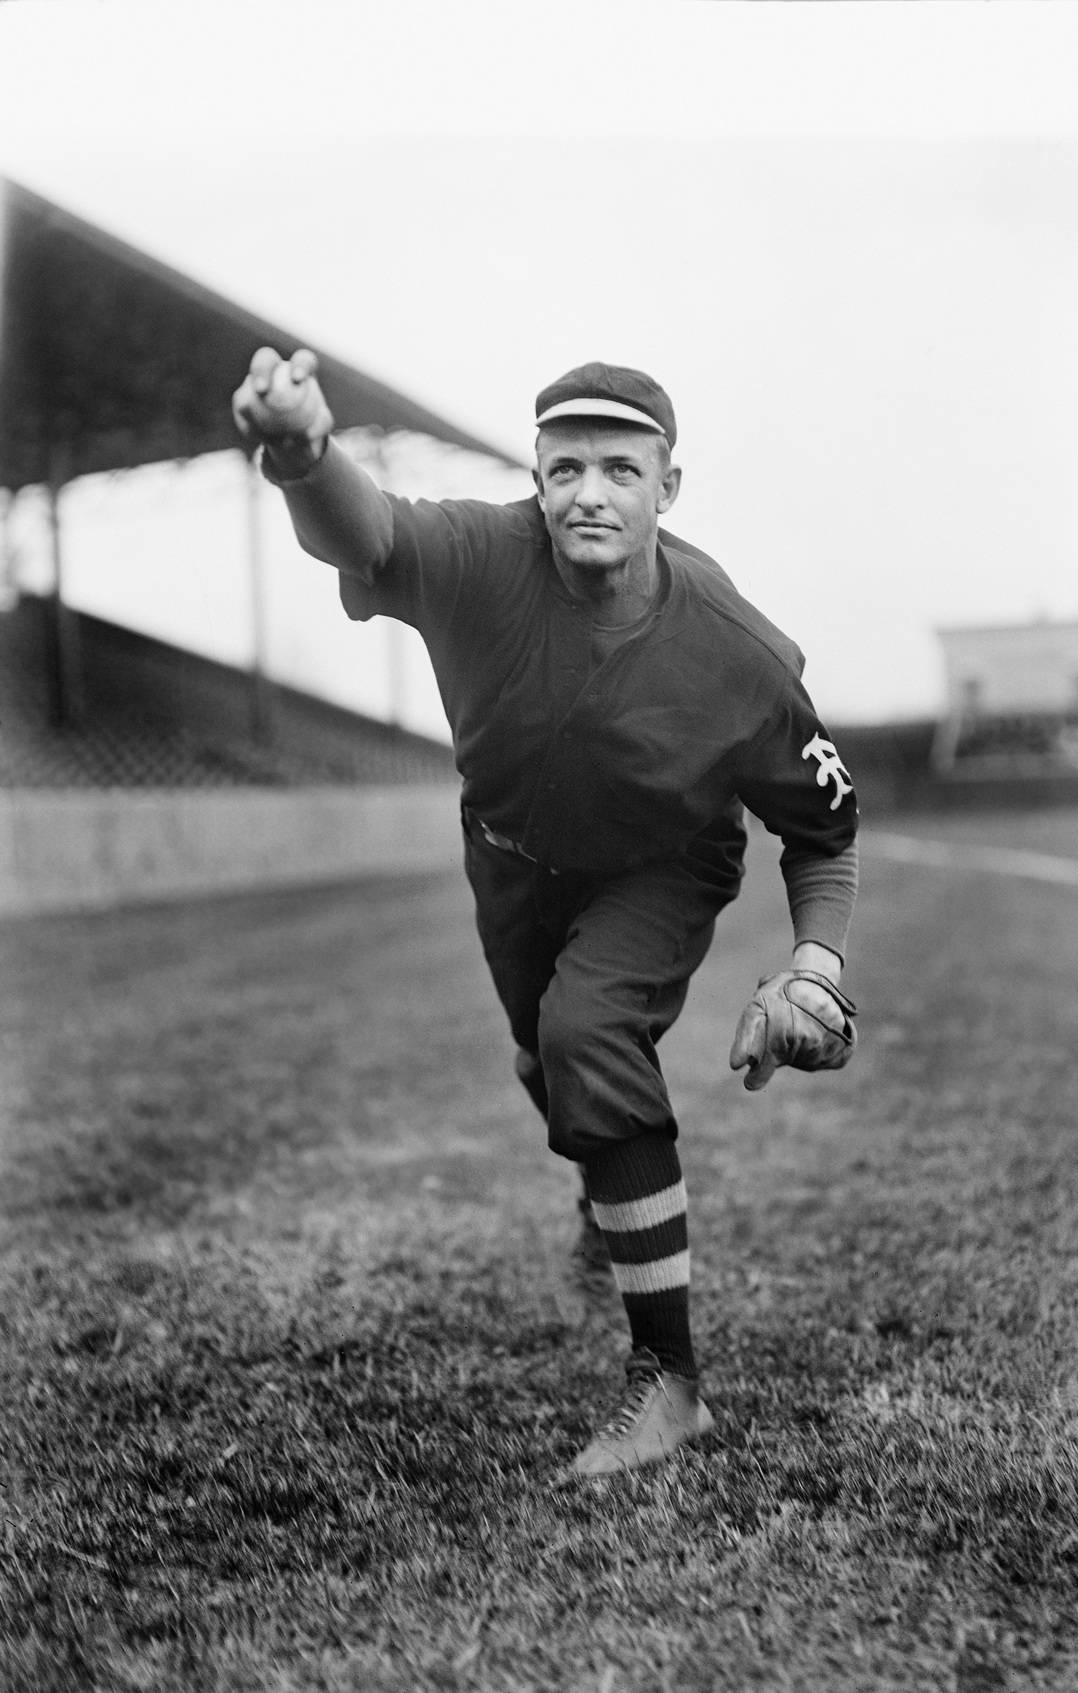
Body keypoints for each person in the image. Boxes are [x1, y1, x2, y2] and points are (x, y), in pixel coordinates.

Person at [231, 350, 861, 1480]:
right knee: (544, 1056)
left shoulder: (736, 649)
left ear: (667, 488)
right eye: (565, 466)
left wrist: (815, 962)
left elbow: (821, 828)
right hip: (510, 858)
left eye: (622, 469)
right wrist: (301, 455)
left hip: (661, 866)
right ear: (534, 472)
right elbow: (367, 535)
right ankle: (603, 1185)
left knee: (587, 1030)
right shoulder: (485, 556)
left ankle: (668, 1382)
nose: (589, 494)